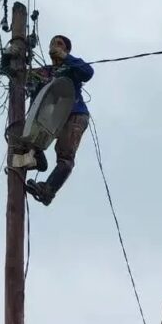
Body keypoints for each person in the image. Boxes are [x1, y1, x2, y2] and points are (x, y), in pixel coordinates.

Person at [25, 35, 94, 206]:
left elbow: (88, 72)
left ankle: (48, 190)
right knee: (30, 131)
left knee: (65, 156)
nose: (54, 46)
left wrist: (65, 58)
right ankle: (37, 157)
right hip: (55, 118)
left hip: (74, 114)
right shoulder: (45, 72)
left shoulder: (71, 67)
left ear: (66, 49)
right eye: (52, 43)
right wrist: (12, 58)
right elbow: (21, 75)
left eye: (59, 44)